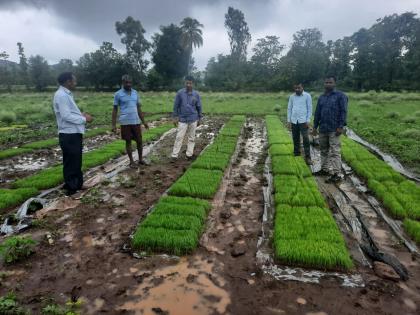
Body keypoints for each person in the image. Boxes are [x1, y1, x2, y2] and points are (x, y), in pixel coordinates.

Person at [53, 72, 93, 196]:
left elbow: (69, 113)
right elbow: (65, 116)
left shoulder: (66, 94)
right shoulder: (62, 96)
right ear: (68, 81)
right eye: (74, 81)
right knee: (71, 161)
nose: (75, 83)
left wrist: (80, 115)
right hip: (69, 133)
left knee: (75, 160)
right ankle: (72, 188)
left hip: (73, 132)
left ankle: (77, 184)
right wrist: (84, 119)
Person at [313, 76, 348, 183]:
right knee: (323, 150)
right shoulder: (322, 97)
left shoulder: (340, 96)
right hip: (323, 128)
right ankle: (325, 169)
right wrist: (315, 126)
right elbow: (318, 112)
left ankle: (337, 173)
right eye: (326, 82)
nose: (328, 84)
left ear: (334, 84)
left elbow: (343, 112)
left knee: (335, 151)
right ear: (324, 84)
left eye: (330, 82)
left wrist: (341, 126)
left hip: (334, 128)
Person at [112, 74, 149, 168]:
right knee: (128, 141)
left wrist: (144, 122)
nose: (128, 84)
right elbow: (115, 109)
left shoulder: (135, 93)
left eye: (130, 82)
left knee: (139, 141)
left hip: (136, 121)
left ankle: (140, 159)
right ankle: (131, 162)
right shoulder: (118, 94)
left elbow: (139, 108)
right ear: (122, 83)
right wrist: (113, 125)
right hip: (125, 122)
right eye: (126, 83)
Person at [171, 75, 202, 160]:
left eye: (190, 83)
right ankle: (174, 155)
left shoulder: (196, 94)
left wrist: (200, 117)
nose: (188, 85)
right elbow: (176, 106)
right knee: (179, 137)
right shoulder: (180, 93)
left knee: (191, 137)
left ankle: (189, 154)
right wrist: (174, 117)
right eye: (187, 83)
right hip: (182, 119)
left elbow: (199, 106)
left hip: (193, 118)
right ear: (185, 83)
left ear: (193, 84)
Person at [287, 83, 312, 165]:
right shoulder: (292, 97)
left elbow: (309, 108)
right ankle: (297, 153)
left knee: (305, 138)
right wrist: (289, 121)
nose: (297, 89)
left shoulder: (307, 96)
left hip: (303, 121)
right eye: (295, 88)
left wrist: (308, 120)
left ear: (302, 87)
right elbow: (289, 108)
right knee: (295, 137)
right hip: (294, 120)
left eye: (299, 88)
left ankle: (308, 157)